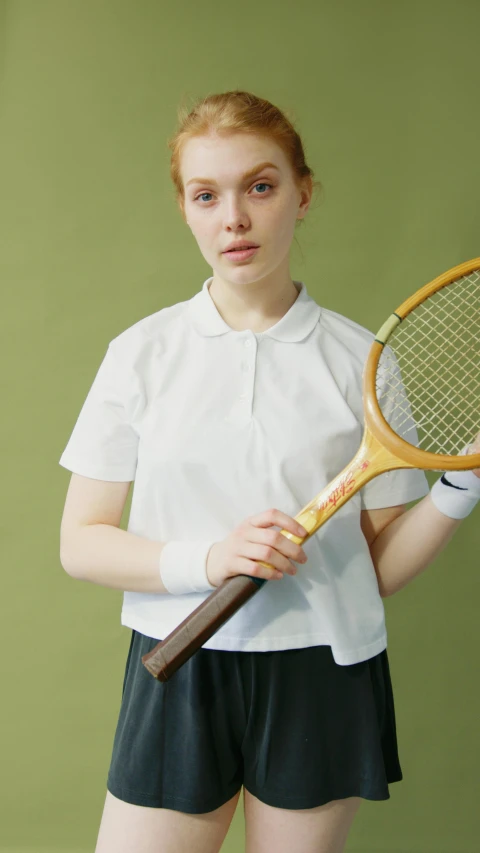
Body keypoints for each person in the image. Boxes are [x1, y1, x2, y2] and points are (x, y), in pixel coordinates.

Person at [58, 90, 480, 853]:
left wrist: (465, 482)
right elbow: (80, 542)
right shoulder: (141, 353)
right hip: (179, 663)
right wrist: (210, 559)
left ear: (302, 192)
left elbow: (379, 566)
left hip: (324, 669)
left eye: (261, 185)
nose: (235, 219)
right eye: (206, 194)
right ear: (184, 208)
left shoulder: (363, 360)